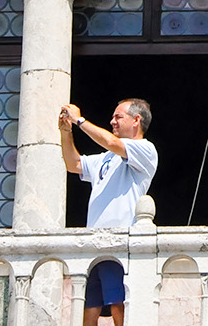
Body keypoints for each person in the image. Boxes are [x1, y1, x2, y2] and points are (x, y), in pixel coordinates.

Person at [61, 99, 159, 326]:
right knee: (89, 310)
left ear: (137, 120)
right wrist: (66, 131)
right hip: (94, 244)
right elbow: (73, 164)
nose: (112, 121)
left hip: (119, 244)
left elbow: (111, 141)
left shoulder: (146, 149)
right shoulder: (105, 158)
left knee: (119, 307)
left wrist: (79, 120)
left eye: (118, 117)